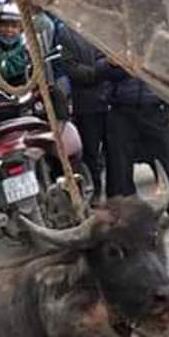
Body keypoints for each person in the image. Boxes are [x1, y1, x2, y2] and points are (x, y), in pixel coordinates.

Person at [106, 69, 169, 247]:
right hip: (121, 111)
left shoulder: (157, 42)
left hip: (157, 111)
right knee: (119, 174)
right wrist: (113, 64)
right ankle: (123, 231)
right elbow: (100, 71)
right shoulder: (115, 41)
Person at [58, 25, 110, 203]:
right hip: (86, 102)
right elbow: (70, 67)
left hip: (110, 98)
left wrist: (104, 69)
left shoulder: (102, 27)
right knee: (90, 151)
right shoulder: (66, 32)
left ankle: (115, 191)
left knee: (114, 150)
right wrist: (98, 72)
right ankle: (95, 188)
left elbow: (111, 58)